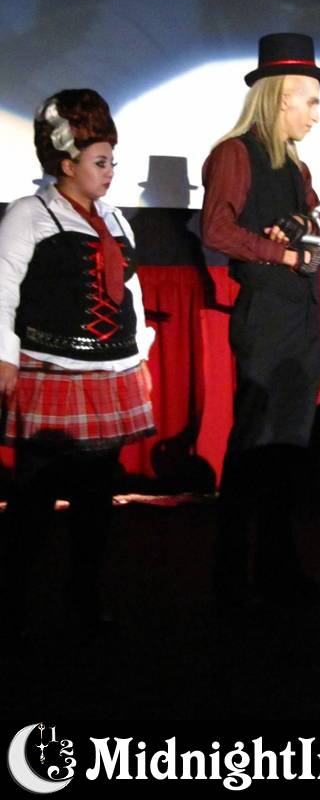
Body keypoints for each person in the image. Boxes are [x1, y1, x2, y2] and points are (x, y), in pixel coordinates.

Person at [0, 89, 155, 636]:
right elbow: (3, 286)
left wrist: (138, 355)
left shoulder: (114, 220)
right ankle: (11, 606)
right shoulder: (31, 214)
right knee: (34, 499)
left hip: (108, 373)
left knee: (95, 499)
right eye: (100, 162)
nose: (110, 172)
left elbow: (129, 290)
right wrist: (4, 356)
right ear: (67, 164)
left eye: (112, 161)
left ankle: (83, 601)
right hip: (51, 372)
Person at [201, 33, 320, 607]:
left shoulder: (295, 164)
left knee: (286, 449)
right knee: (255, 447)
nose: (316, 114)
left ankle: (280, 573)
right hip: (267, 316)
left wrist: (302, 232)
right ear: (282, 97)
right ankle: (232, 580)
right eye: (311, 101)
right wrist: (279, 252)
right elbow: (216, 229)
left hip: (301, 313)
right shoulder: (236, 152)